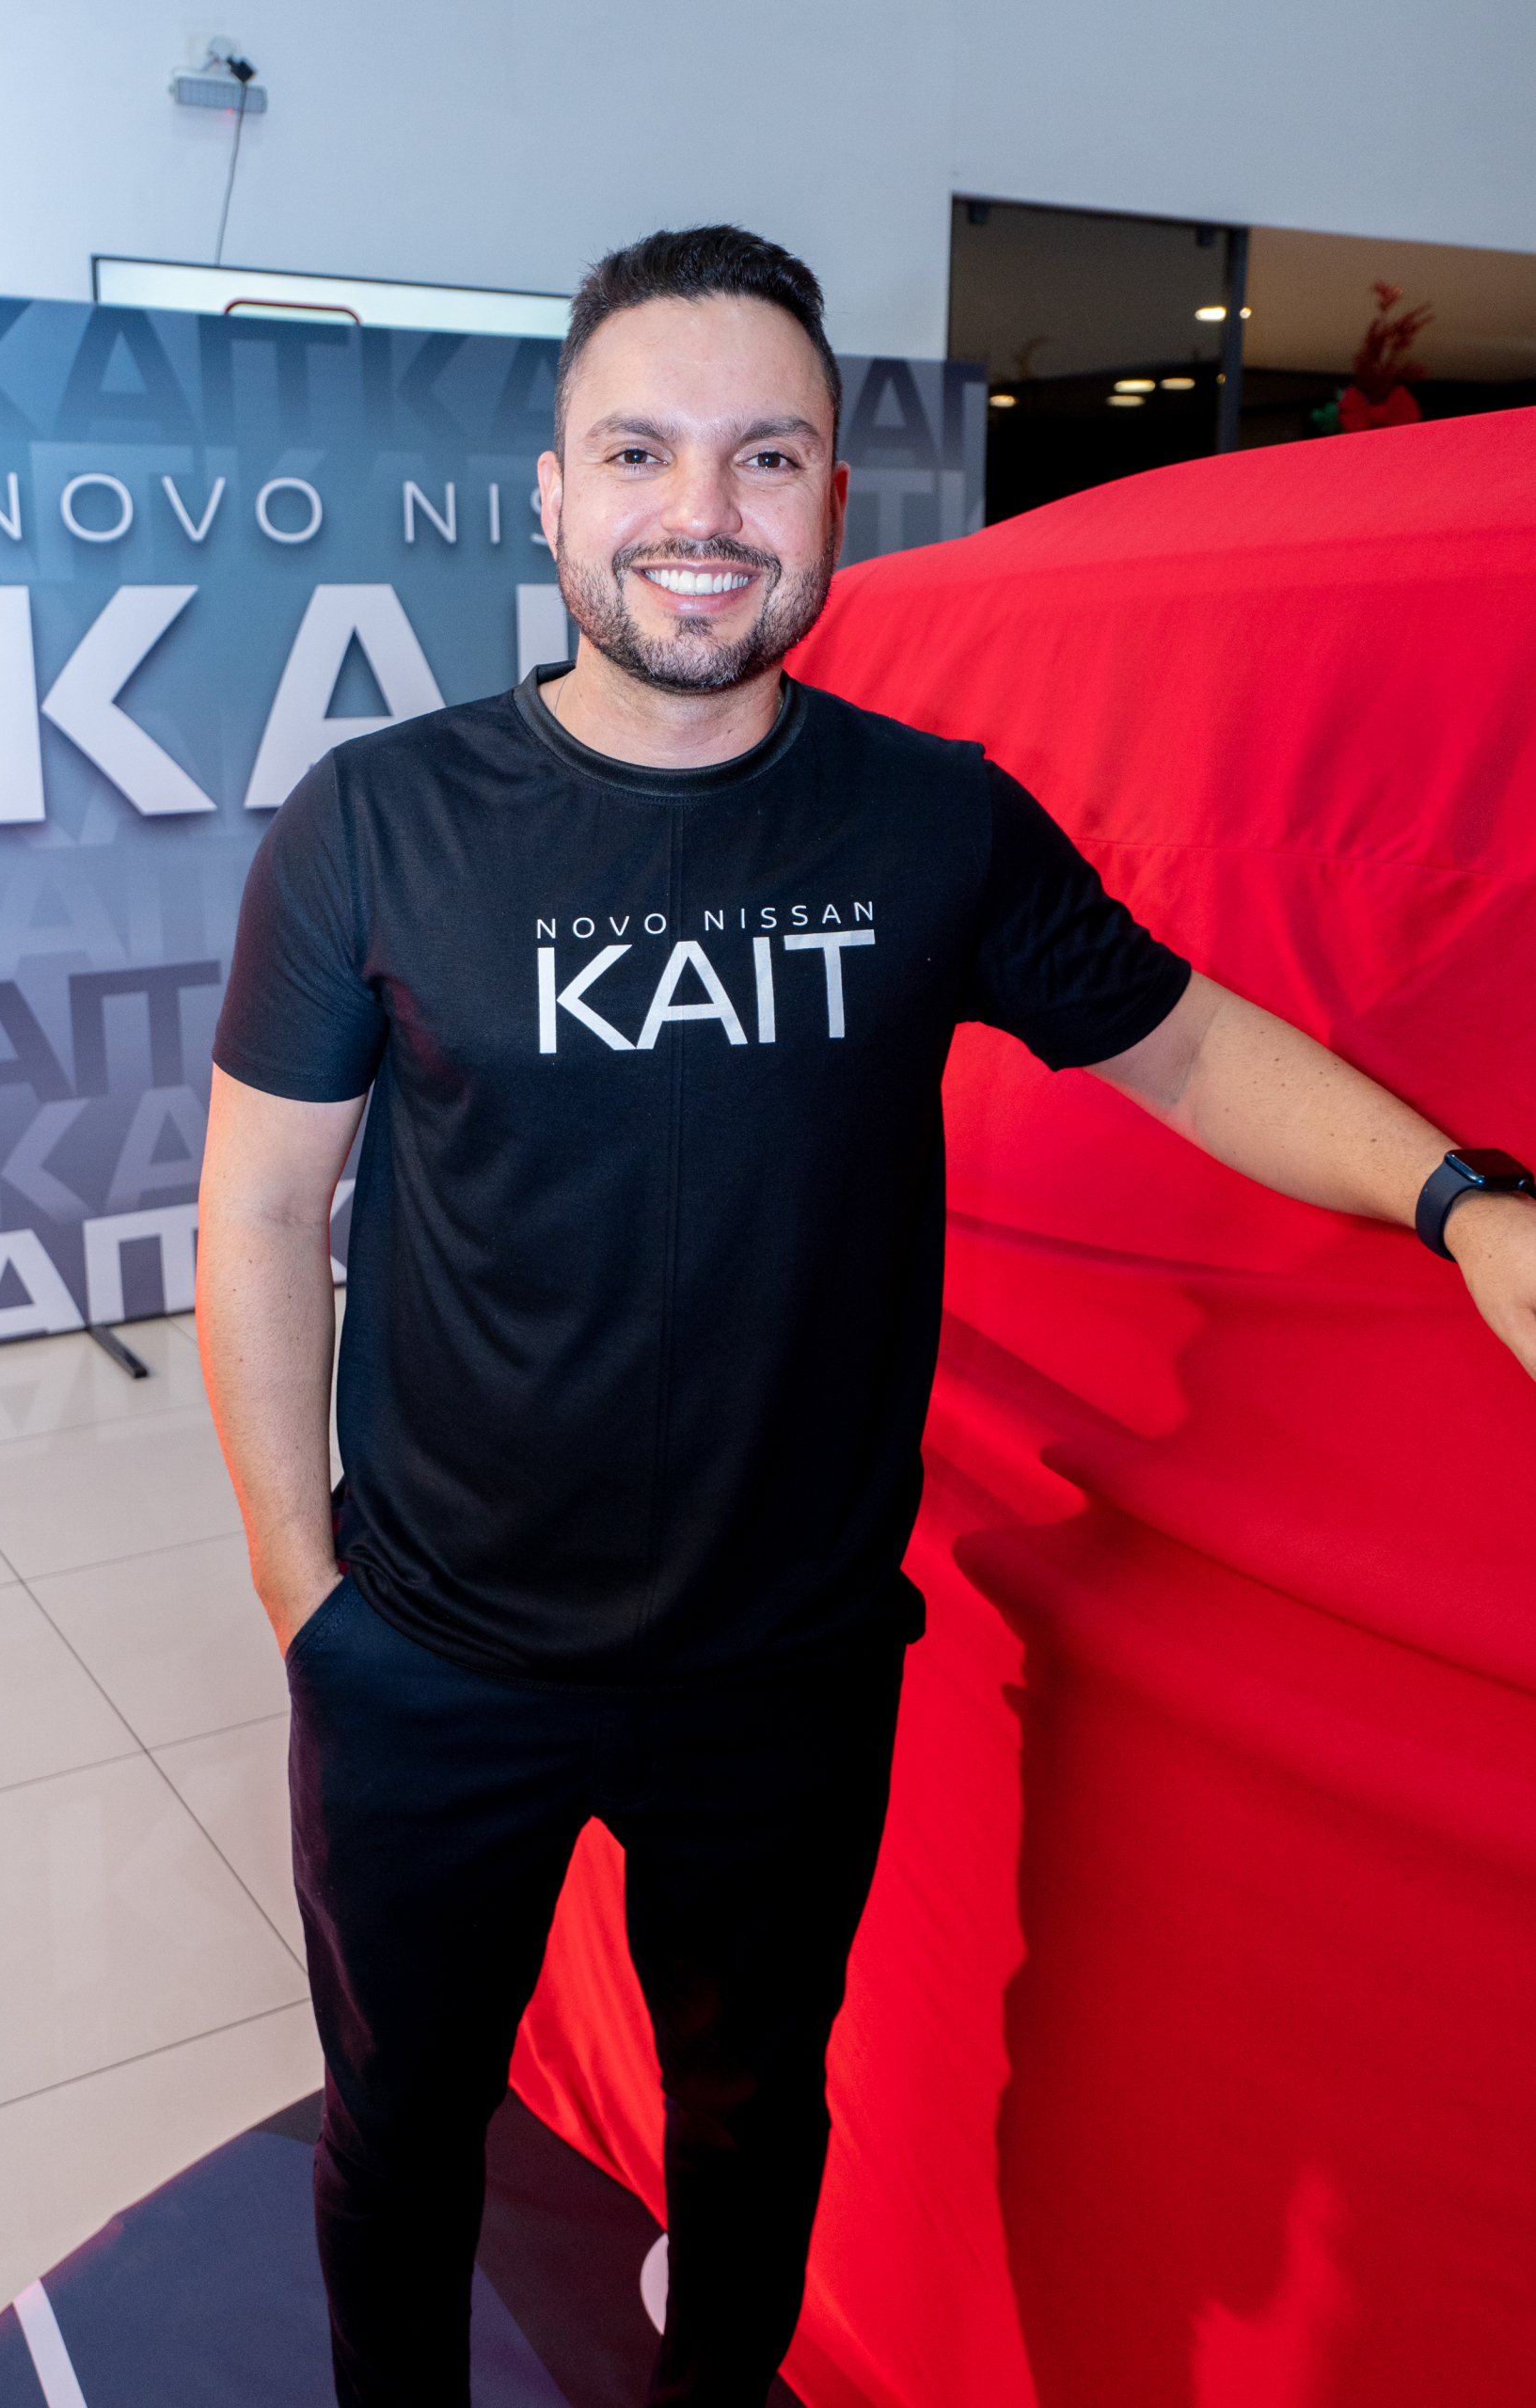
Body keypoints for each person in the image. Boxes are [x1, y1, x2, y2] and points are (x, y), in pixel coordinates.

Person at [196, 225, 1536, 2408]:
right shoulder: (379, 819)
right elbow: (263, 1202)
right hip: (433, 1658)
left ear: (830, 497)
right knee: (405, 2122)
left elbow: (1184, 1041)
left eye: (762, 454)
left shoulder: (928, 822)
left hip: (785, 1669)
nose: (699, 508)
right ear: (550, 493)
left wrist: (1460, 1199)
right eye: (639, 450)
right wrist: (301, 1588)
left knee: (750, 2114)